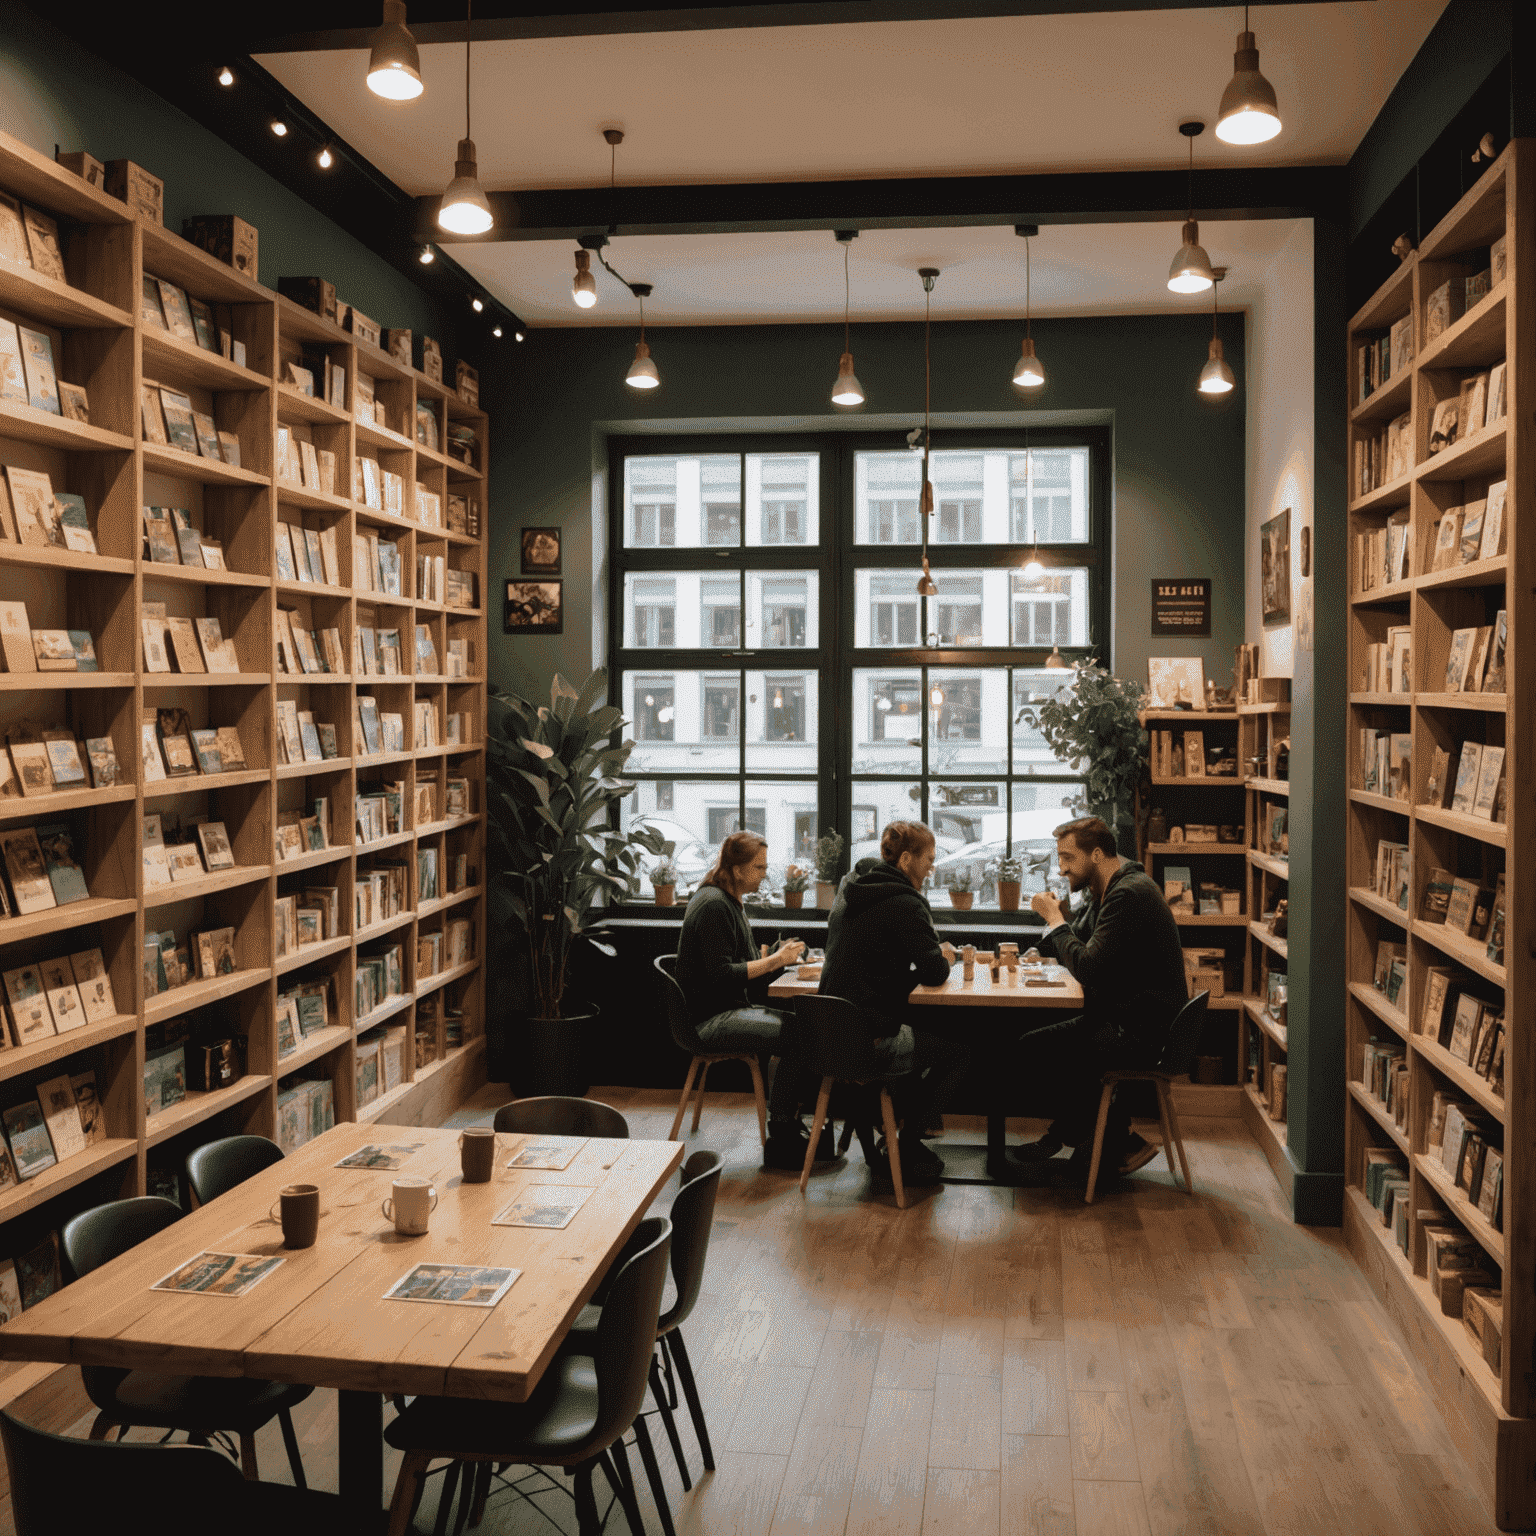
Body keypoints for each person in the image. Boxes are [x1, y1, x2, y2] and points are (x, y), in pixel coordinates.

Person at [1011, 815, 1190, 1177]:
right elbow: (1080, 938)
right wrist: (1048, 946)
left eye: (1067, 858)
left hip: (1142, 1032)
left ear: (1095, 854)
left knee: (1042, 1049)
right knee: (1036, 1043)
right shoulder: (1108, 888)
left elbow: (1089, 966)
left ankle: (1103, 1140)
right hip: (1126, 1018)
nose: (1061, 869)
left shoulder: (1129, 893)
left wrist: (1053, 920)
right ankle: (1102, 1139)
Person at [817, 820, 971, 1185]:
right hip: (869, 1040)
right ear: (905, 859)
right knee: (962, 1051)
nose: (932, 867)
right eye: (928, 860)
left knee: (924, 1034)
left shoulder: (852, 890)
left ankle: (895, 1135)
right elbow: (935, 973)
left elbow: (876, 966)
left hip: (827, 1035)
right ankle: (908, 1141)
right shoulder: (904, 901)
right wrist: (943, 956)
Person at [675, 831, 826, 1170]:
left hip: (721, 1009)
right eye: (758, 868)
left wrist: (775, 955)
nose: (764, 875)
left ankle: (787, 1124)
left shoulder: (725, 899)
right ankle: (782, 1135)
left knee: (801, 1026)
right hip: (709, 1019)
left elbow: (737, 962)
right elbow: (722, 975)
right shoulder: (715, 905)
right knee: (802, 1034)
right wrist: (775, 961)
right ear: (737, 869)